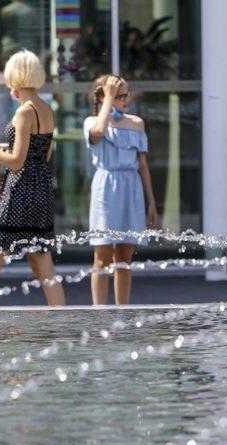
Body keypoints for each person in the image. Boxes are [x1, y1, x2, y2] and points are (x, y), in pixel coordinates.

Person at [0, 49, 65, 307]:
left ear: (16, 80)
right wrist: (3, 151)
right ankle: (62, 316)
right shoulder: (46, 109)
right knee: (41, 259)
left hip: (19, 190)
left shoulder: (24, 112)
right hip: (41, 189)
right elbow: (38, 153)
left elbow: (18, 162)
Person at [84, 75, 158, 305]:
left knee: (124, 257)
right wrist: (107, 99)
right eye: (119, 95)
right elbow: (97, 133)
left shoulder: (136, 123)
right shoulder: (92, 122)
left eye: (127, 94)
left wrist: (151, 202)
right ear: (104, 97)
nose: (126, 99)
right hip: (106, 187)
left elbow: (143, 165)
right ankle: (99, 314)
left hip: (131, 186)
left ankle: (122, 311)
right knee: (102, 255)